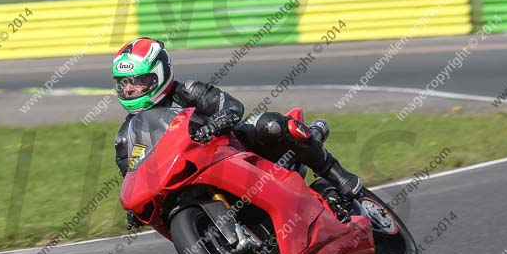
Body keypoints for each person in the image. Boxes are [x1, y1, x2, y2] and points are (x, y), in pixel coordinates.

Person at [112, 37, 362, 224]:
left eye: (138, 80)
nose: (130, 89)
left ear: (159, 75)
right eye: (124, 83)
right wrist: (134, 209)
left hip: (230, 148)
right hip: (185, 176)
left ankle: (337, 175)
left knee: (274, 125)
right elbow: (133, 176)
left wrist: (217, 122)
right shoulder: (126, 137)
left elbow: (231, 106)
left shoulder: (187, 91)